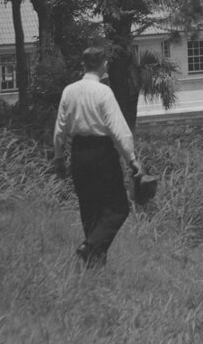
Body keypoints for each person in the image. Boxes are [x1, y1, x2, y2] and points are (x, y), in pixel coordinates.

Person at [53, 46, 143, 268]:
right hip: (102, 152)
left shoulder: (69, 91)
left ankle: (94, 265)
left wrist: (59, 157)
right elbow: (118, 129)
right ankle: (89, 246)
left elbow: (60, 129)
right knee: (118, 208)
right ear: (104, 65)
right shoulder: (103, 92)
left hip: (78, 152)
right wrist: (131, 159)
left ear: (83, 65)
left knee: (89, 208)